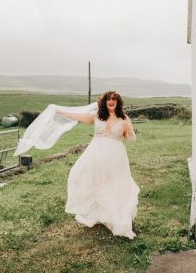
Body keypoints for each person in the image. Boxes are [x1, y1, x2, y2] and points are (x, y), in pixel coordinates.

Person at [57, 91, 139, 239]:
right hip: (95, 154)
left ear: (118, 102)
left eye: (114, 99)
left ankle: (116, 215)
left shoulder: (124, 118)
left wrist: (128, 129)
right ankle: (101, 213)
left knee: (114, 184)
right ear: (105, 102)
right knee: (92, 180)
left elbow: (132, 138)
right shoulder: (97, 116)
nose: (111, 101)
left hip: (115, 155)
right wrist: (61, 111)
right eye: (109, 99)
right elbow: (78, 117)